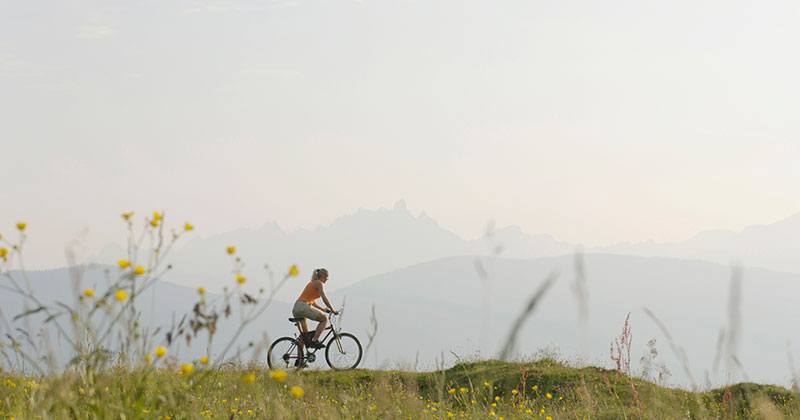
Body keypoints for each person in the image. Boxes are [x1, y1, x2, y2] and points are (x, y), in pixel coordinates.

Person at [293, 268, 338, 349]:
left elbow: (311, 301)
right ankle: (315, 341)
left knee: (305, 337)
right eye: (327, 277)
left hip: (297, 308)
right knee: (324, 319)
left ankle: (299, 360)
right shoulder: (318, 283)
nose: (327, 279)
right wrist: (332, 309)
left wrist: (322, 309)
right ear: (323, 276)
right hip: (303, 307)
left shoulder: (312, 283)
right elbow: (324, 297)